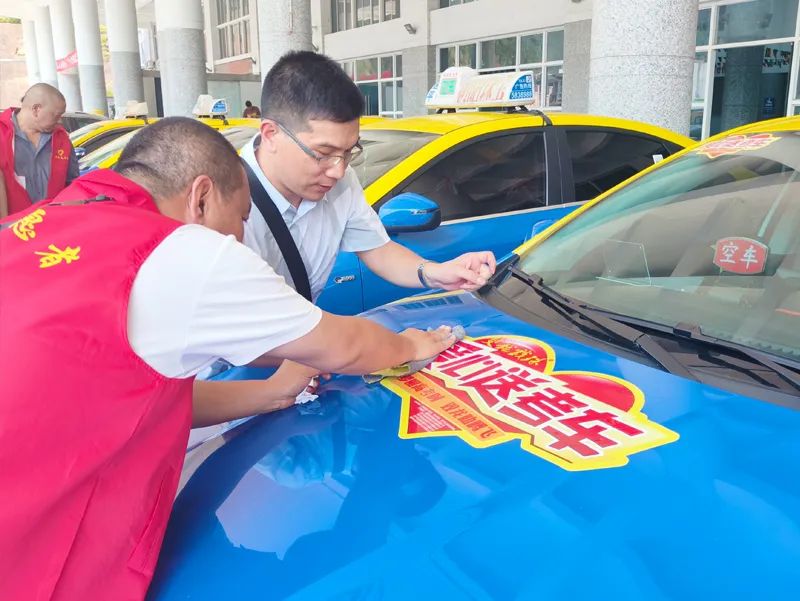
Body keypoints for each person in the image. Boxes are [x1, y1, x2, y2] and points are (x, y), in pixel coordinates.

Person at [0, 117, 456, 601]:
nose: (240, 238)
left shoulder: (51, 217)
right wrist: (412, 346)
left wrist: (271, 393)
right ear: (200, 198)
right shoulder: (181, 251)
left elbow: (128, 397)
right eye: (240, 219)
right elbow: (345, 346)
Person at [242, 50, 495, 328]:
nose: (338, 171)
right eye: (323, 153)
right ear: (271, 134)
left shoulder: (341, 182)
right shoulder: (221, 200)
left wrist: (435, 273)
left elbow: (378, 251)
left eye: (349, 152)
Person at [0, 83, 79, 218]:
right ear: (36, 109)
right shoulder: (2, 133)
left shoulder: (61, 139)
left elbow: (72, 183)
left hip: (52, 222)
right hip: (13, 225)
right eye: (56, 115)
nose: (60, 121)